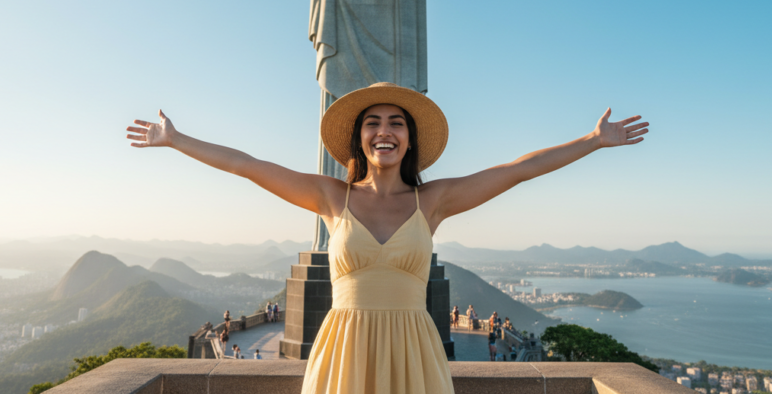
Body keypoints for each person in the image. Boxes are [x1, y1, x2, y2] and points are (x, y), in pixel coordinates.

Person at [127, 82, 649, 393]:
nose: (384, 131)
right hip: (344, 348)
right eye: (373, 122)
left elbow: (517, 170)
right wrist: (175, 140)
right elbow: (248, 166)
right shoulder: (334, 198)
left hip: (413, 350)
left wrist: (593, 141)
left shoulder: (433, 201)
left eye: (396, 123)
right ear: (359, 137)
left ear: (409, 138)